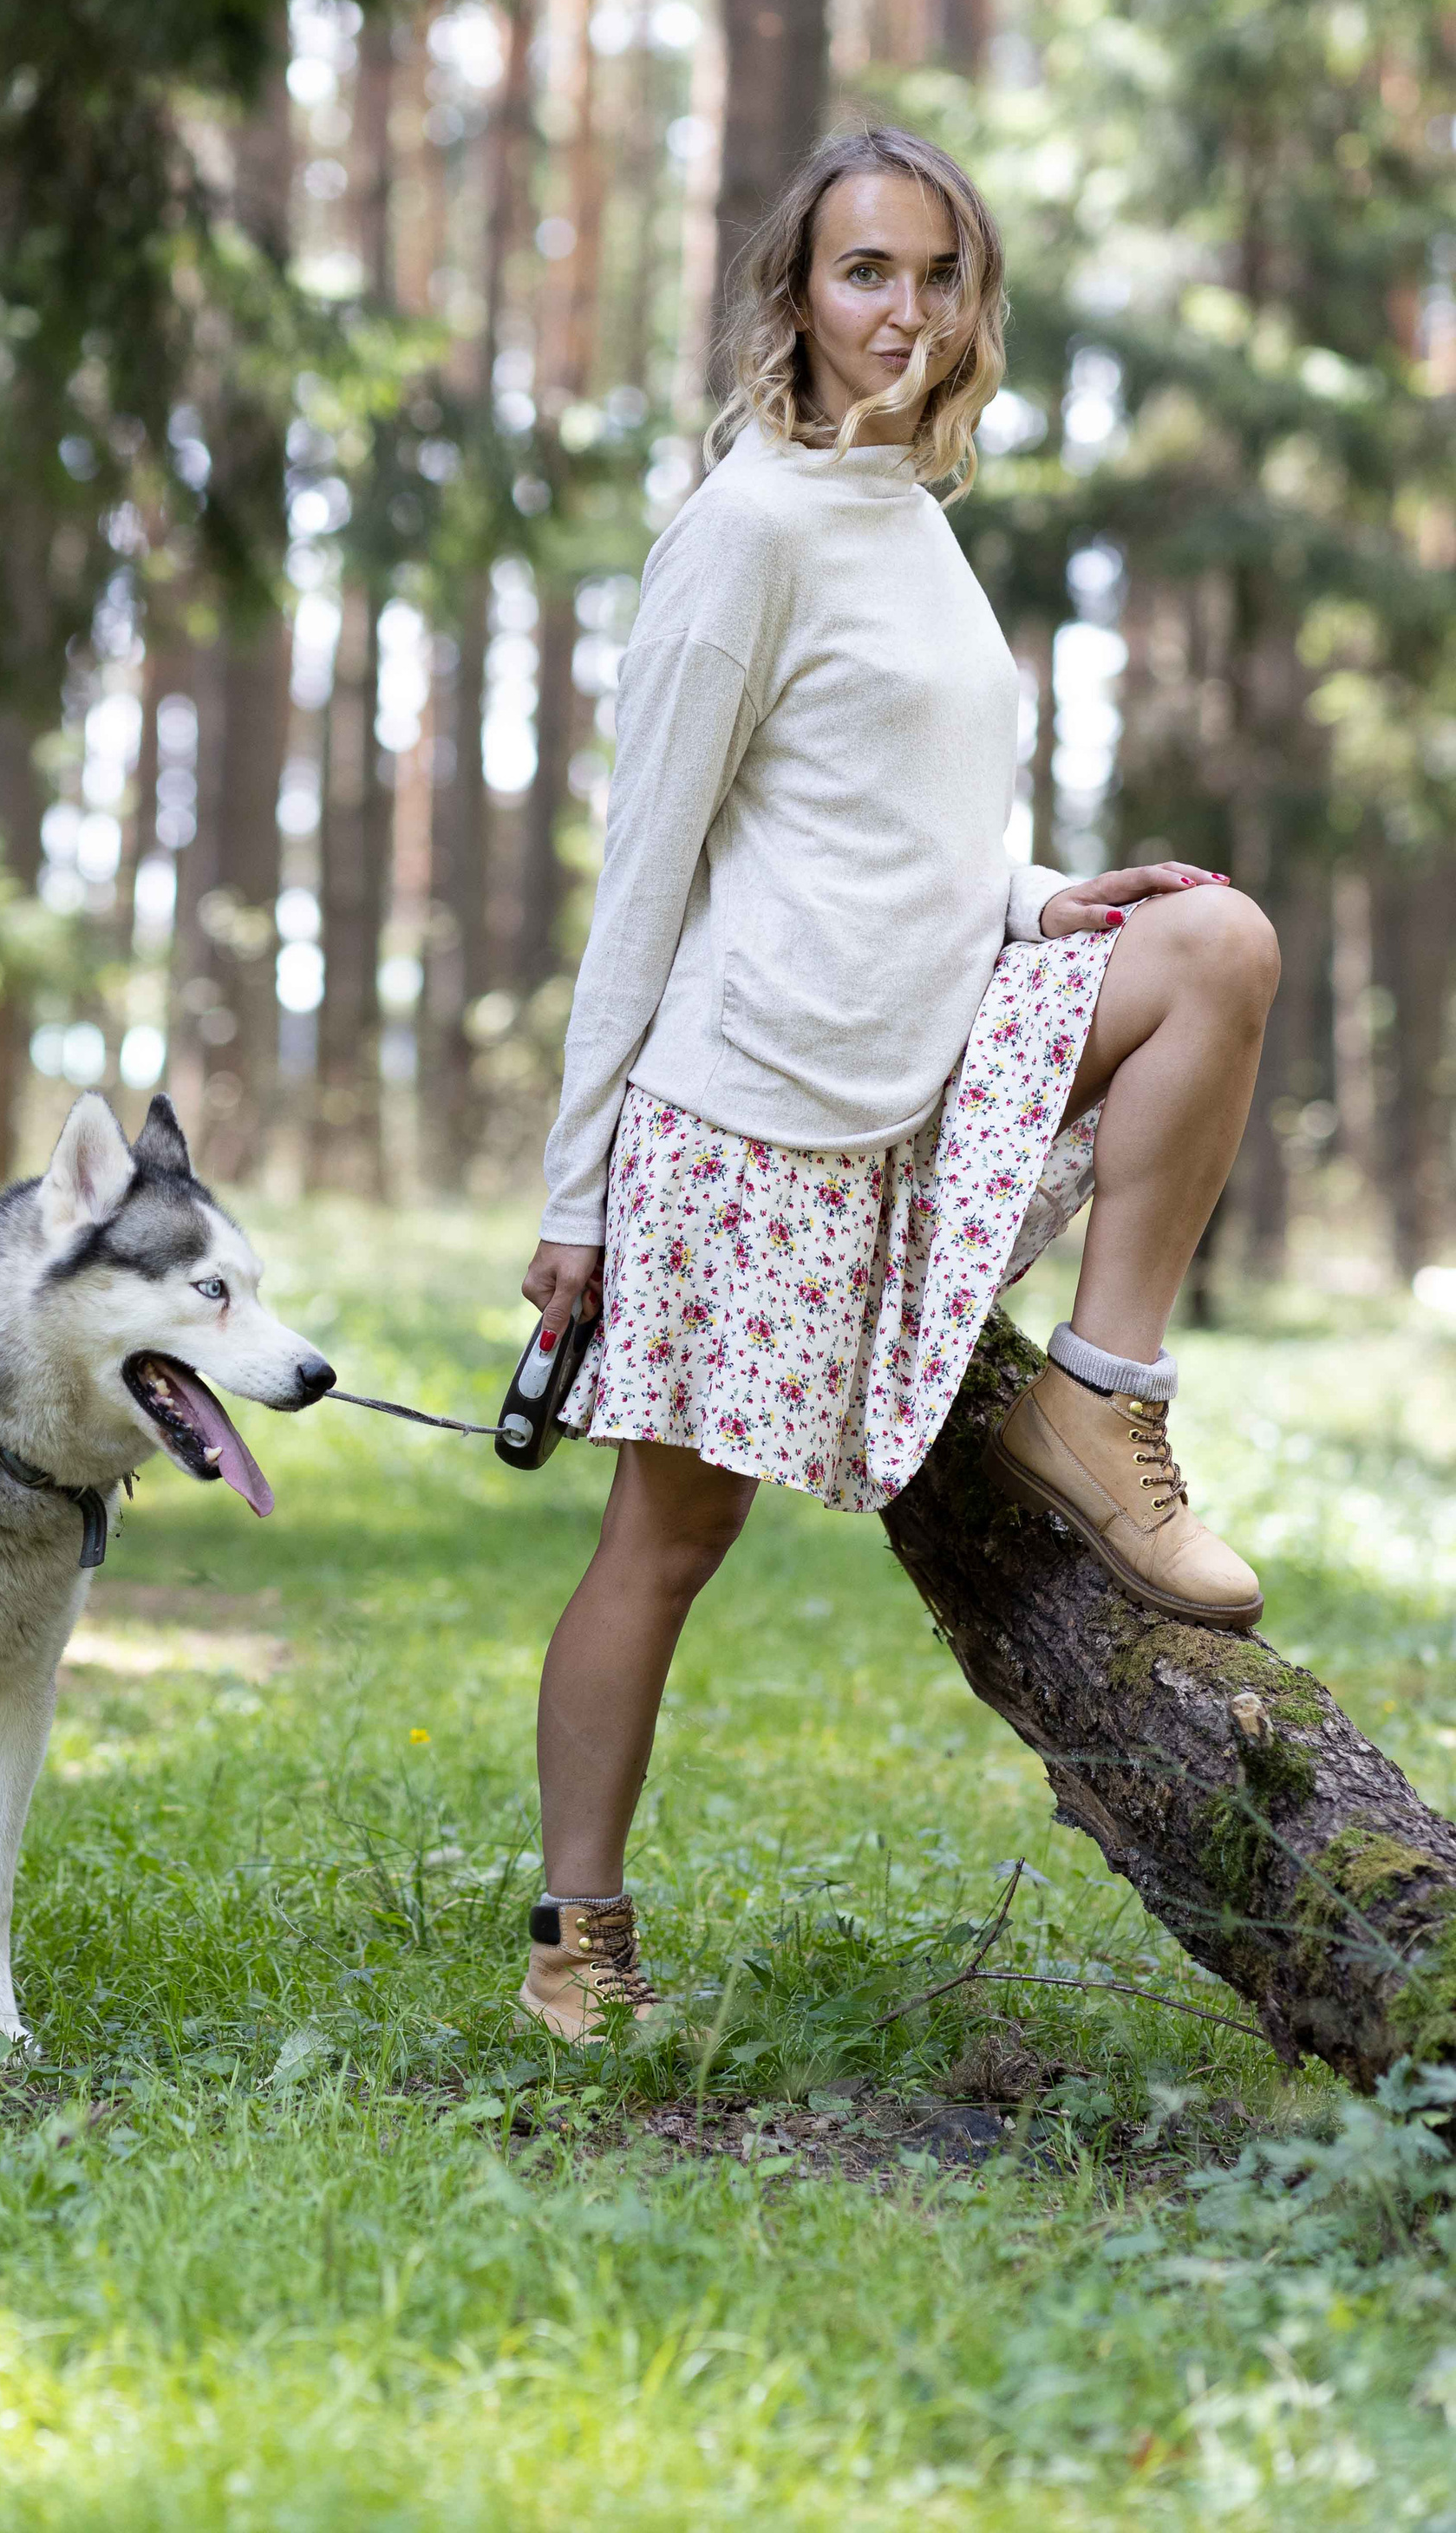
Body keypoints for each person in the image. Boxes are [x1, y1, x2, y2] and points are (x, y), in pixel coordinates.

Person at [514, 127, 1281, 2042]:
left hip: (924, 1071)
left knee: (1212, 944)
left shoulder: (911, 521)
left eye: (936, 275)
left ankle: (1099, 1405)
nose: (904, 311)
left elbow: (885, 820)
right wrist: (574, 1193)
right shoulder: (744, 525)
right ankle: (575, 1939)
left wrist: (1043, 897)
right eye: (865, 271)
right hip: (750, 1113)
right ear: (793, 290)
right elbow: (651, 870)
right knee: (668, 1538)